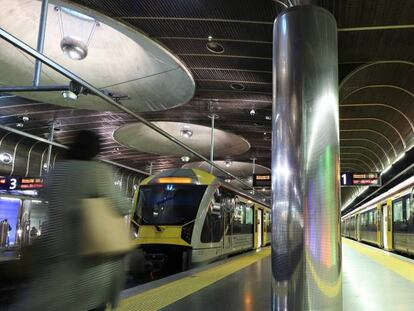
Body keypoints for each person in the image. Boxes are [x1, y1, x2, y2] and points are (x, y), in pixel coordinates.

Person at [19, 131, 130, 311]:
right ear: (95, 150)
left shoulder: (56, 171)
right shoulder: (99, 172)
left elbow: (45, 194)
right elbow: (122, 206)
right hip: (91, 260)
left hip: (56, 260)